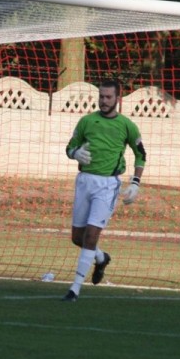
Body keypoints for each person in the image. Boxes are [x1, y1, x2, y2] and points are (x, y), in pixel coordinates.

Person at [61, 79, 147, 301]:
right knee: (77, 238)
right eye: (101, 96)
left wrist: (135, 183)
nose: (104, 101)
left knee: (91, 235)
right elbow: (70, 146)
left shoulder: (127, 125)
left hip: (107, 185)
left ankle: (74, 289)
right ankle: (101, 258)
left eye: (108, 97)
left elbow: (141, 154)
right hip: (84, 182)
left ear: (118, 98)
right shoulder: (86, 121)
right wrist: (74, 153)